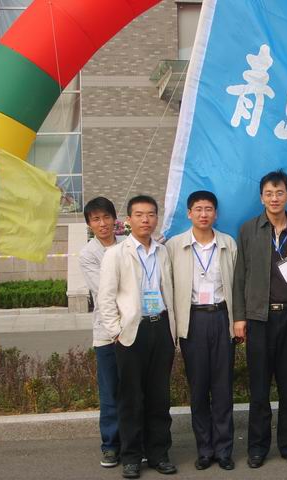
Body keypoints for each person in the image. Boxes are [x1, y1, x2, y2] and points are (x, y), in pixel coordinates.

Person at [233, 169, 287, 468]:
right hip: (259, 318)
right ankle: (257, 448)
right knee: (259, 388)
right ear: (261, 198)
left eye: (279, 193)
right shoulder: (248, 230)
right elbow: (240, 276)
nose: (274, 198)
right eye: (269, 193)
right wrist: (240, 317)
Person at [98, 195, 177, 479]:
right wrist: (115, 331)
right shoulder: (116, 254)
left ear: (156, 218)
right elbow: (105, 298)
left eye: (151, 214)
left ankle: (159, 453)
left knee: (159, 396)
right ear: (128, 220)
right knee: (131, 398)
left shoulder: (162, 252)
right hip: (132, 332)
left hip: (161, 327)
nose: (146, 220)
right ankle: (131, 457)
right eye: (140, 215)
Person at [166, 191, 237, 471]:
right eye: (198, 209)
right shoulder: (175, 245)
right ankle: (204, 449)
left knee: (222, 387)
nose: (204, 214)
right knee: (198, 388)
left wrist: (237, 321)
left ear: (216, 214)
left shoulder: (227, 244)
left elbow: (237, 285)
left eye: (209, 209)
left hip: (221, 317)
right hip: (192, 320)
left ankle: (224, 449)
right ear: (189, 213)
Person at [79, 196, 122, 468]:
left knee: (134, 390)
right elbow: (104, 290)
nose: (103, 223)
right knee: (109, 393)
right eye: (96, 219)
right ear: (89, 224)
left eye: (106, 217)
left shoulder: (127, 244)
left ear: (115, 219)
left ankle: (134, 442)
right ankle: (110, 445)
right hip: (107, 334)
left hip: (134, 330)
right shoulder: (88, 254)